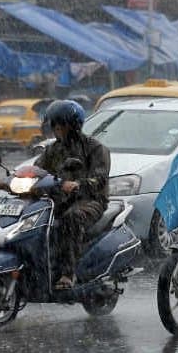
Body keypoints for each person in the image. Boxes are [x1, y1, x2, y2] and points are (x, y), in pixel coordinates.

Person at [35, 100, 111, 290]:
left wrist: (78, 184)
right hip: (59, 199)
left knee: (72, 219)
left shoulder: (95, 148)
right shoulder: (53, 149)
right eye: (54, 124)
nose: (56, 129)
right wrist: (14, 180)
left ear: (73, 125)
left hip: (90, 200)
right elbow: (38, 170)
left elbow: (99, 179)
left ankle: (68, 274)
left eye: (60, 124)